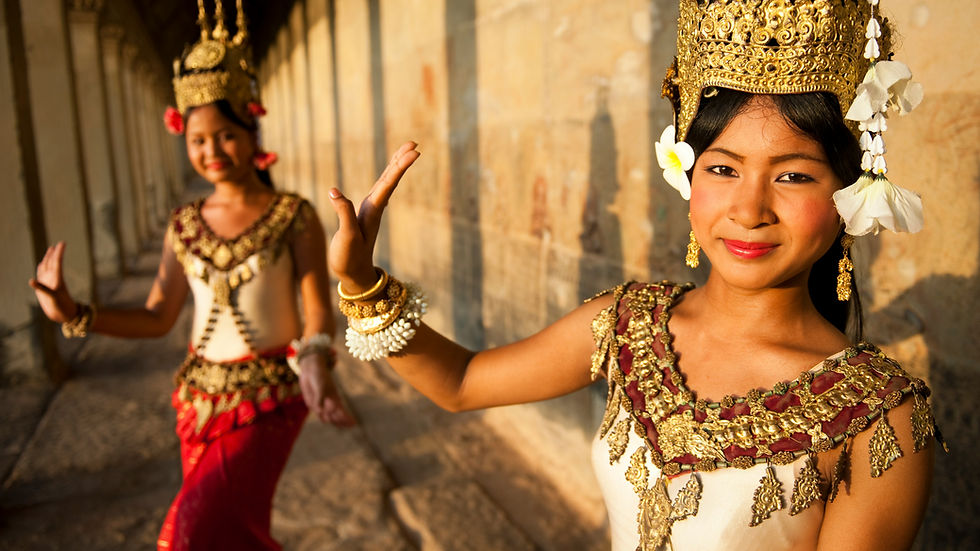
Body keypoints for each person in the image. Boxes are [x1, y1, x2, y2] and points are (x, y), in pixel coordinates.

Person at [324, 1, 942, 549]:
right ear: (688, 177)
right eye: (723, 169)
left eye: (793, 176)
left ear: (851, 193)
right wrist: (361, 284)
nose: (749, 210)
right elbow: (460, 382)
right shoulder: (628, 324)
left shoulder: (877, 418)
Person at [29, 2, 353, 549]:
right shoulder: (183, 223)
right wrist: (76, 313)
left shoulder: (294, 215)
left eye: (226, 135)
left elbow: (316, 306)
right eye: (198, 140)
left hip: (270, 397)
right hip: (196, 401)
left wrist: (315, 360)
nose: (212, 151)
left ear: (251, 129)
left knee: (192, 533)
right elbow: (159, 317)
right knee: (234, 534)